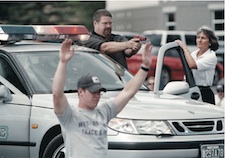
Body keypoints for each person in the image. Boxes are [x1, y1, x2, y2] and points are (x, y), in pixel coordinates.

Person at [52, 38, 153, 158]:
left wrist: (145, 67)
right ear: (81, 92)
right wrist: (63, 62)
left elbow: (128, 92)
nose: (97, 96)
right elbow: (57, 94)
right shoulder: (70, 115)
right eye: (93, 92)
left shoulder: (104, 112)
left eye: (99, 92)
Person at [176, 26, 219, 105]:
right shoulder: (194, 54)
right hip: (191, 89)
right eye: (198, 37)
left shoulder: (211, 56)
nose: (199, 40)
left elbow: (192, 65)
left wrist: (185, 48)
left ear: (210, 42)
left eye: (203, 38)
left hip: (204, 93)